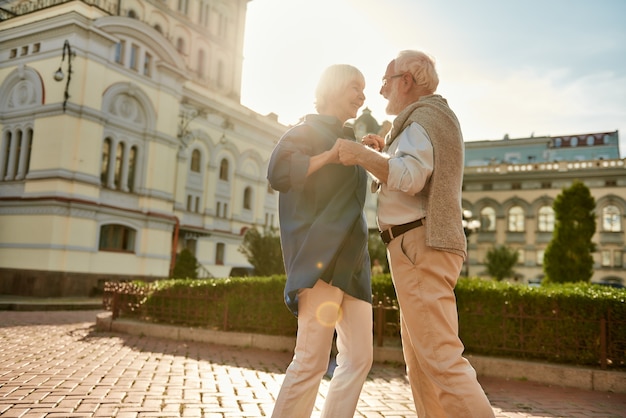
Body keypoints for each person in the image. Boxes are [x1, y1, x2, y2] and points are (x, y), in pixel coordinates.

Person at [334, 50, 495, 417]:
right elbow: (408, 171)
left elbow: (409, 177)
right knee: (423, 365)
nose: (380, 91)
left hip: (418, 244)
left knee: (439, 359)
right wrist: (384, 153)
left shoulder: (421, 120)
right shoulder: (432, 119)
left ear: (406, 81)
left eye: (386, 82)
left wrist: (360, 155)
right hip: (424, 243)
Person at [267, 64, 373, 418]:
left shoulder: (352, 140)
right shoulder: (304, 131)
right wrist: (331, 155)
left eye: (364, 88)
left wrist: (366, 153)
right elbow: (278, 172)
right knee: (311, 360)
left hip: (354, 266)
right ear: (333, 87)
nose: (362, 95)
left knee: (359, 358)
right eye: (355, 87)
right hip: (320, 259)